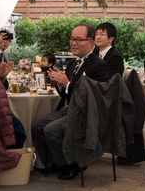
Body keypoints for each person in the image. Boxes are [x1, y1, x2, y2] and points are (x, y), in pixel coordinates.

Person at [32, 23, 109, 180]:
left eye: (78, 40)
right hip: (69, 109)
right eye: (72, 39)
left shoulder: (99, 66)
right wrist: (58, 83)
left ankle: (74, 163)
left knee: (51, 130)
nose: (73, 43)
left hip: (85, 113)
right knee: (37, 126)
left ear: (91, 42)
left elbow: (94, 98)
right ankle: (53, 162)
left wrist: (67, 83)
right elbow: (67, 94)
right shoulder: (73, 64)